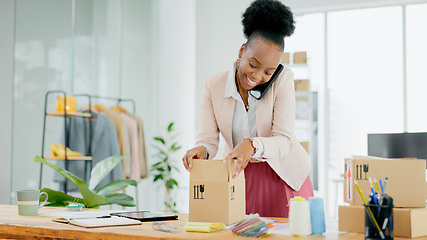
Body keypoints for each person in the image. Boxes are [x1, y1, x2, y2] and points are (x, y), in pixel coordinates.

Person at [182, 0, 313, 218]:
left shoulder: (284, 80)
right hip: (240, 176)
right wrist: (201, 151)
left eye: (268, 72)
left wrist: (252, 144)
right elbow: (207, 141)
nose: (257, 76)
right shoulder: (213, 85)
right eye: (253, 64)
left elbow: (285, 140)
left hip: (284, 177)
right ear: (242, 51)